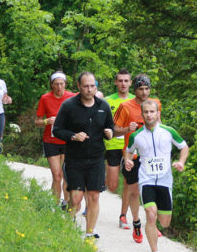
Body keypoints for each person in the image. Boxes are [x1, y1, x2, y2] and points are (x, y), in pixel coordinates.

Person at [124, 100, 189, 252]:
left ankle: (157, 228)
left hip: (165, 181)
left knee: (165, 221)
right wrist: (127, 161)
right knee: (150, 214)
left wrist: (181, 162)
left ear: (158, 113)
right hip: (147, 180)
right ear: (142, 114)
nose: (149, 115)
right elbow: (128, 151)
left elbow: (184, 147)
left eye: (152, 112)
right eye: (146, 112)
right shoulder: (136, 136)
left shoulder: (169, 131)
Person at [53, 71, 114, 240]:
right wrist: (73, 135)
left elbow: (111, 127)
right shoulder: (68, 106)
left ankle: (89, 232)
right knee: (76, 198)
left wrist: (110, 132)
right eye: (86, 86)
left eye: (92, 86)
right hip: (74, 158)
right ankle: (68, 225)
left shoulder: (103, 106)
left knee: (94, 196)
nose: (89, 89)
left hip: (96, 158)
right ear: (79, 86)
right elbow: (56, 130)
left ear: (96, 87)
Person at [114, 74, 161, 244]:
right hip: (132, 155)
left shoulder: (156, 104)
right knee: (133, 191)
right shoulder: (126, 106)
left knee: (153, 190)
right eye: (140, 89)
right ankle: (136, 221)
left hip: (151, 156)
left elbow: (159, 125)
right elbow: (113, 130)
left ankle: (152, 224)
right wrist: (127, 128)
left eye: (147, 88)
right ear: (135, 90)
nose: (144, 92)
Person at [35, 71, 76, 209]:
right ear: (52, 85)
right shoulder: (45, 98)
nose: (59, 87)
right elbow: (37, 121)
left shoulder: (72, 97)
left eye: (62, 84)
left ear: (65, 84)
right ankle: (54, 205)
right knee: (57, 175)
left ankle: (65, 203)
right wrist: (47, 120)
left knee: (66, 174)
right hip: (51, 140)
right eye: (56, 84)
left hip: (67, 141)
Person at [104, 68, 134, 229]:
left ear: (130, 83)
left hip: (131, 147)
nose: (123, 84)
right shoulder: (108, 101)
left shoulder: (137, 101)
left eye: (126, 81)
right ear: (116, 82)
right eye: (120, 81)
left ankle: (123, 216)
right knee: (112, 186)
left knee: (129, 182)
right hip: (113, 145)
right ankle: (104, 175)